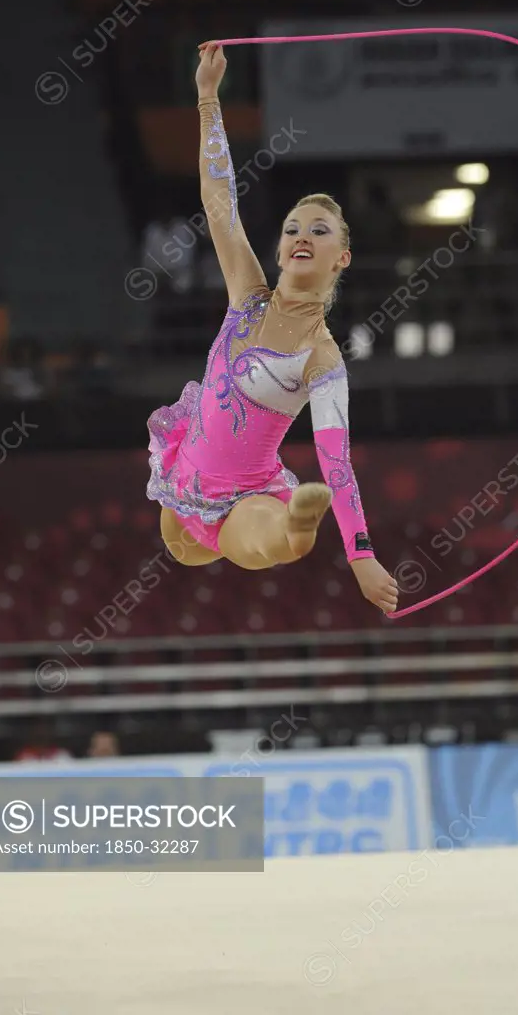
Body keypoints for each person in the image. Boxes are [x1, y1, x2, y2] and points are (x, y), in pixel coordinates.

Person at [146, 41, 398, 615]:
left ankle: (297, 527)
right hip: (181, 481)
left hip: (245, 499)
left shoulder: (322, 358)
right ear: (282, 248)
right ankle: (288, 526)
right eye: (293, 228)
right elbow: (218, 204)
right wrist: (208, 99)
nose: (303, 234)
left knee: (264, 537)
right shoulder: (248, 295)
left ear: (342, 259)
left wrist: (362, 556)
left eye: (321, 230)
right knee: (181, 547)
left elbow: (336, 462)